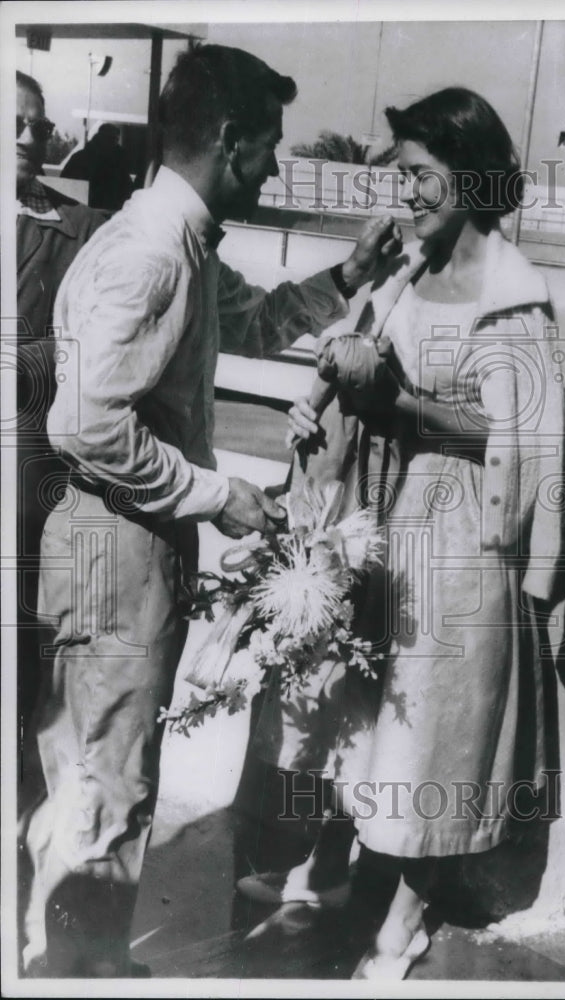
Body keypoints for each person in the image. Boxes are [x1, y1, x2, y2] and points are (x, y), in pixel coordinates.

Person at [21, 43, 400, 978]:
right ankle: (74, 971)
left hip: (128, 545)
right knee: (105, 783)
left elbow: (257, 321)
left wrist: (346, 278)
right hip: (116, 549)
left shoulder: (174, 237)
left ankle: (78, 956)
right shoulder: (152, 251)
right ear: (230, 142)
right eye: (268, 146)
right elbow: (84, 423)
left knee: (97, 773)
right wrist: (214, 492)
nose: (274, 166)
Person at [242, 87, 565, 979]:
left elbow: (524, 438)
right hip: (382, 519)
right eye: (404, 176)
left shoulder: (514, 298)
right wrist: (318, 407)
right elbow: (351, 351)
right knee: (356, 704)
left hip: (460, 537)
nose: (409, 194)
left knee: (431, 731)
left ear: (472, 176)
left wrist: (404, 407)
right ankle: (331, 869)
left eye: (423, 177)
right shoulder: (408, 272)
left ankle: (406, 919)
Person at [15, 70, 107, 807]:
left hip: (27, 469)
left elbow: (83, 346)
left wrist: (22, 363)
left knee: (23, 635)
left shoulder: (78, 228)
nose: (25, 138)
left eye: (37, 127)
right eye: (12, 123)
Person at [61, 123, 134, 212]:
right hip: (83, 211)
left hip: (108, 213)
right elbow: (65, 185)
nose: (112, 143)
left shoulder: (118, 162)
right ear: (100, 138)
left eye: (115, 139)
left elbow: (127, 190)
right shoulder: (80, 158)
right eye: (109, 138)